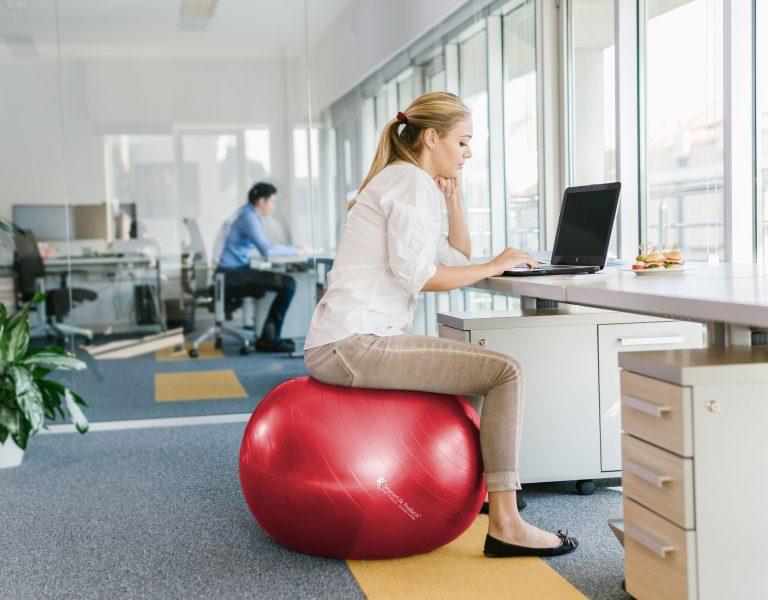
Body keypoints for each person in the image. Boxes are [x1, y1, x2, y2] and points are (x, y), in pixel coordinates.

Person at [303, 92, 578, 558]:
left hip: (347, 340)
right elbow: (425, 276)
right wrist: (495, 265)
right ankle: (508, 522)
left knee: (477, 372)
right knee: (504, 372)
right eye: (463, 142)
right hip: (354, 344)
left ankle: (483, 496)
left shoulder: (410, 182)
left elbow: (456, 257)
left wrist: (455, 202)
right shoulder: (409, 183)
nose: (469, 154)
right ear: (431, 138)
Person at [217, 182, 308, 353]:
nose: (273, 207)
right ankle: (269, 338)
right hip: (234, 275)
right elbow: (267, 250)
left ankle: (269, 334)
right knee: (288, 284)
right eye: (272, 202)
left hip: (232, 272)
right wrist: (297, 250)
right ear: (261, 201)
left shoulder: (246, 214)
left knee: (279, 281)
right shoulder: (249, 218)